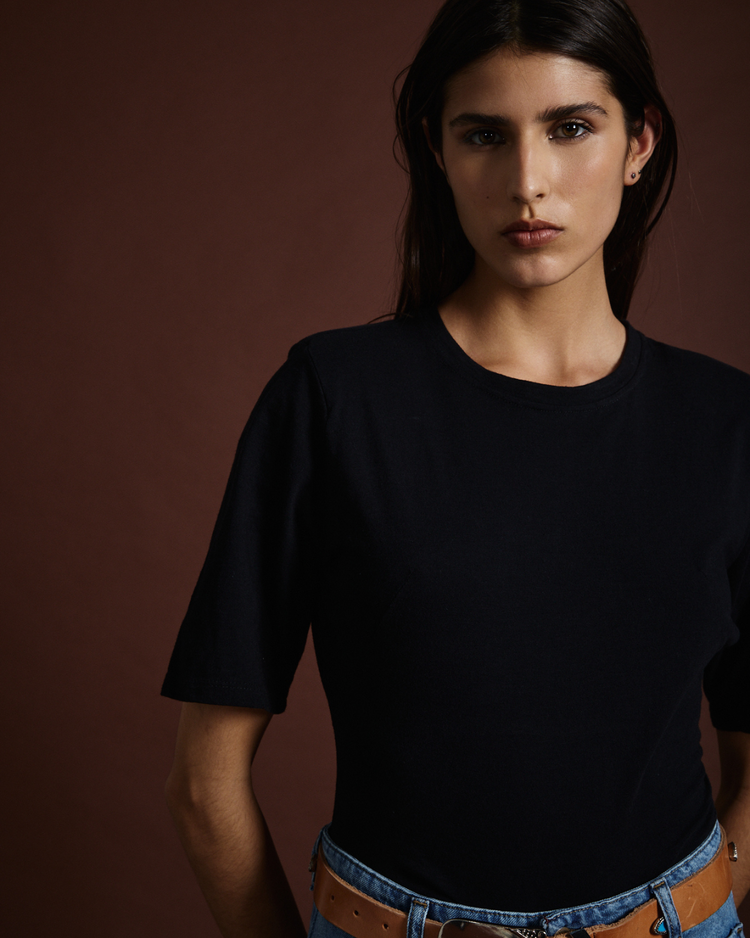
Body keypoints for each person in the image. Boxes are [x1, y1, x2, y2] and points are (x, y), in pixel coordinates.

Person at [161, 1, 750, 936]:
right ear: (437, 150)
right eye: (484, 135)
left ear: (639, 143)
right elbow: (204, 783)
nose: (528, 182)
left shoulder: (727, 423)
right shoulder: (332, 399)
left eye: (570, 128)